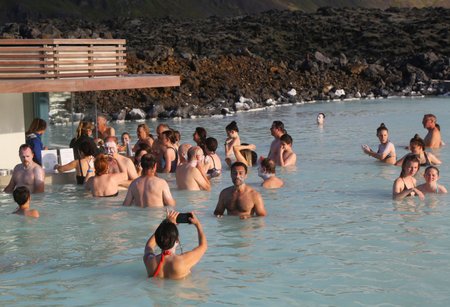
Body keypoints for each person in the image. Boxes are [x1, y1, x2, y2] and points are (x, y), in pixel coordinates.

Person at [143, 210, 207, 279]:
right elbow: (203, 246)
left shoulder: (149, 260)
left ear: (157, 240)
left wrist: (165, 223)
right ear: (177, 239)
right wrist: (197, 224)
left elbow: (149, 245)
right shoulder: (183, 261)